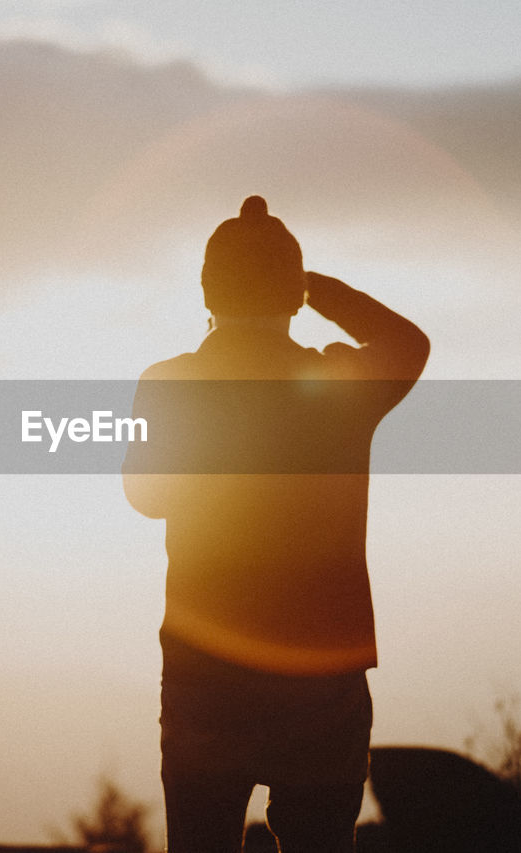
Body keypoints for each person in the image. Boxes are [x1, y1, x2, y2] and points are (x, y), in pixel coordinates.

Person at [122, 196, 429, 852]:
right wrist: (319, 289)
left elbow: (146, 495)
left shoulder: (169, 382)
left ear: (207, 288)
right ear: (292, 294)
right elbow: (409, 344)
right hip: (323, 677)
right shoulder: (339, 381)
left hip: (206, 667)